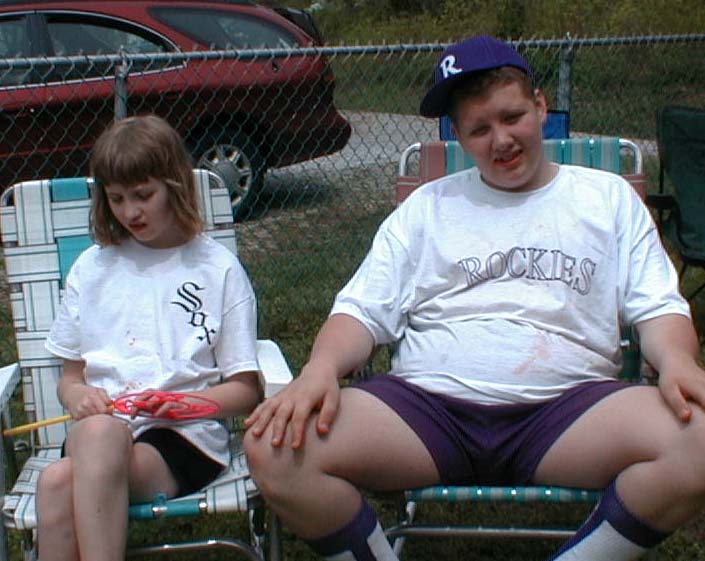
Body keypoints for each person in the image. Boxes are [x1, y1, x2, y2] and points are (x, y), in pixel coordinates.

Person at [244, 34, 705, 561]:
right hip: (427, 411)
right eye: (479, 129)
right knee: (275, 448)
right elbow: (362, 310)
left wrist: (676, 362)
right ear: (459, 135)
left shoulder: (605, 198)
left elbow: (658, 306)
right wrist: (321, 368)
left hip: (568, 412)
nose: (501, 140)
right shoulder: (427, 207)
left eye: (512, 117)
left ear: (540, 105)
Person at [36, 114, 262, 561]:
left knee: (58, 480)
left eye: (143, 195)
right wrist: (78, 396)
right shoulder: (92, 268)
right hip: (100, 431)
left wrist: (191, 403)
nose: (130, 212)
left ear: (175, 186)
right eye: (116, 198)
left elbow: (247, 391)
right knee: (87, 445)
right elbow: (69, 379)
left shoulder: (216, 270)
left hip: (183, 438)